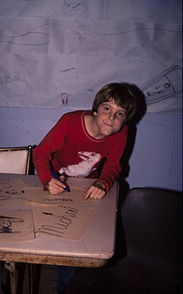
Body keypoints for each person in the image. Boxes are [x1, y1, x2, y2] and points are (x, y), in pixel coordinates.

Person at [33, 82, 137, 293]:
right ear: (96, 108)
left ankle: (73, 284)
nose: (111, 117)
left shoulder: (121, 133)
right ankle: (65, 287)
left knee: (86, 242)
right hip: (57, 182)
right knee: (66, 245)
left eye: (120, 113)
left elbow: (113, 165)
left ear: (125, 120)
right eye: (107, 108)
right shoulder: (70, 122)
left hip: (88, 188)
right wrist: (46, 178)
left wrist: (103, 182)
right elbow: (40, 152)